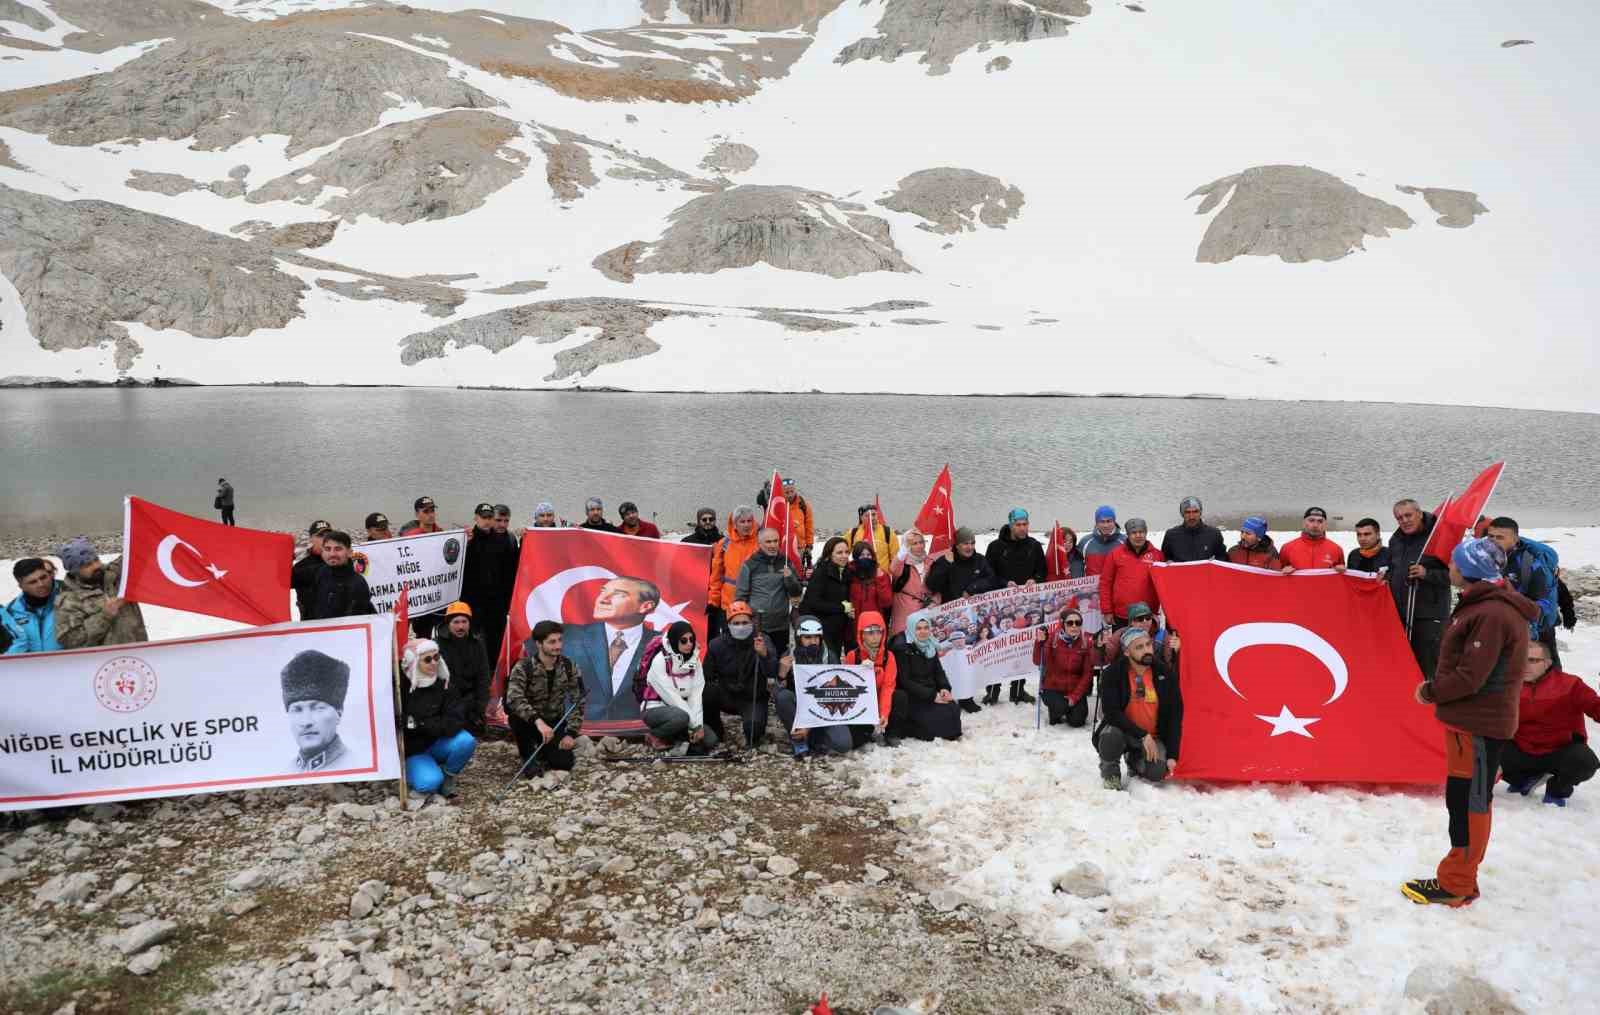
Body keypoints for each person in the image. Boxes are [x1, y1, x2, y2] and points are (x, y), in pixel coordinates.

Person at [1402, 538, 1538, 906]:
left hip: (1478, 725)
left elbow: (1470, 677)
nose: (1449, 568)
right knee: (1460, 799)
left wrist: (1429, 691)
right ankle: (1461, 875)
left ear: (1468, 570)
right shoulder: (1484, 604)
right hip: (1469, 723)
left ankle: (1457, 883)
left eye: (1454, 563)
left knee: (1470, 803)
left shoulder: (1491, 614)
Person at [1500, 639, 1600, 807]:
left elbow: (1595, 706)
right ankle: (1523, 779)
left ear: (1547, 663)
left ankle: (1557, 789)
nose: (1525, 665)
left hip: (1559, 751)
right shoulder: (1507, 685)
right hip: (1521, 748)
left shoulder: (1570, 685)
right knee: (1483, 749)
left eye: (1532, 660)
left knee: (1585, 761)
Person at [1094, 627, 1182, 789]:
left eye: (1148, 645)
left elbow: (1175, 715)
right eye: (1139, 647)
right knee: (1110, 736)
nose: (1147, 650)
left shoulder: (1164, 673)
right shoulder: (1112, 674)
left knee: (1157, 772)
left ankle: (1134, 761)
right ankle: (1110, 772)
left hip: (1153, 736)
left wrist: (1172, 754)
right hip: (1123, 731)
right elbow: (1111, 713)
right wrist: (1142, 735)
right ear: (1127, 652)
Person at [562, 576, 659, 721]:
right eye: (603, 591)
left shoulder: (664, 644)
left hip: (636, 735)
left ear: (645, 606)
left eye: (619, 594)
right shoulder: (566, 636)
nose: (603, 599)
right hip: (574, 735)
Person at [924, 527, 997, 713]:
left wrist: (973, 588)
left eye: (972, 543)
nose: (969, 547)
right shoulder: (945, 560)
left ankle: (967, 697)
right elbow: (931, 584)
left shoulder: (980, 560)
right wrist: (946, 565)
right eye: (965, 543)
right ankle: (947, 693)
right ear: (956, 545)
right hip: (950, 617)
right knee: (949, 658)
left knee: (967, 657)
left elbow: (991, 580)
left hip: (971, 616)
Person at [505, 620, 587, 774]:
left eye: (560, 640)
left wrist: (571, 734)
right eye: (552, 642)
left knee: (563, 763)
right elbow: (514, 698)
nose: (558, 646)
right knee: (516, 717)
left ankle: (543, 751)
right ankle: (527, 753)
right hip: (528, 722)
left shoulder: (570, 666)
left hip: (554, 723)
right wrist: (538, 721)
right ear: (539, 644)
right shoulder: (524, 666)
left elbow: (579, 701)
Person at [399, 639, 477, 798]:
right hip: (414, 751)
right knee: (429, 784)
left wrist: (419, 723)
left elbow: (454, 722)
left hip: (438, 742)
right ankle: (421, 771)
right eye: (427, 659)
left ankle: (448, 774)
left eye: (436, 657)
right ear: (414, 662)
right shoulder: (399, 689)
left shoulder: (445, 685)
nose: (434, 662)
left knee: (466, 741)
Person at [1485, 516, 1561, 668]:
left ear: (1515, 540)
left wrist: (1529, 629)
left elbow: (1543, 602)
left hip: (1537, 627)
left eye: (1500, 537)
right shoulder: (1485, 558)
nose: (1493, 541)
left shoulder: (1530, 563)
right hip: (1501, 625)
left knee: (1547, 673)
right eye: (1490, 536)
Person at [702, 601, 778, 748]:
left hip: (753, 697)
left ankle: (754, 726)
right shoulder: (716, 645)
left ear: (752, 622)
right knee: (707, 692)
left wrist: (764, 655)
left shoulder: (762, 640)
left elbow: (772, 672)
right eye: (736, 623)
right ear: (728, 624)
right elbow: (707, 675)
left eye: (745, 622)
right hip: (727, 694)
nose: (741, 626)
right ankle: (716, 729)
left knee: (753, 732)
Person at [1388, 499, 1450, 680]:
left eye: (1408, 515)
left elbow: (1456, 576)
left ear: (1419, 513)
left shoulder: (1439, 536)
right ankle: (1407, 705)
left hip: (1430, 617)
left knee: (1429, 668)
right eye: (1399, 518)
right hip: (1402, 614)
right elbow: (1393, 569)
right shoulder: (1396, 540)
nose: (1404, 521)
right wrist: (1386, 576)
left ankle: (1432, 705)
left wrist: (1427, 573)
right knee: (1404, 666)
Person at [776, 616, 852, 758]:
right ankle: (798, 739)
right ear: (799, 639)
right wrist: (781, 675)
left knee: (843, 744)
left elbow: (835, 696)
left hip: (824, 708)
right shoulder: (788, 657)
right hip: (799, 709)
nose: (813, 642)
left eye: (816, 637)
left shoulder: (830, 657)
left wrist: (810, 726)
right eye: (808, 638)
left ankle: (814, 737)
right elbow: (777, 694)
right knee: (783, 697)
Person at [637, 620, 719, 754]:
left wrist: (697, 726)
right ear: (674, 640)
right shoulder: (660, 661)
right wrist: (694, 726)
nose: (689, 644)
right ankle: (655, 735)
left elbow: (696, 696)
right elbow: (672, 697)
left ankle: (676, 737)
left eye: (691, 639)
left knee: (711, 740)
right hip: (655, 709)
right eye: (684, 640)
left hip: (683, 711)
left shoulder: (695, 660)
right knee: (681, 718)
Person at [54, 537, 147, 649]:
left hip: (141, 654)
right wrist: (105, 616)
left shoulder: (115, 575)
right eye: (87, 565)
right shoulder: (69, 600)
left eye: (96, 560)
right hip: (106, 663)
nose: (96, 566)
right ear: (75, 571)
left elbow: (137, 553)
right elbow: (71, 641)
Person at [889, 610, 962, 741]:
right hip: (912, 696)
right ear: (911, 628)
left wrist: (944, 688)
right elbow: (904, 681)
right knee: (933, 729)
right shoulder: (901, 647)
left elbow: (938, 671)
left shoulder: (930, 644)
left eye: (926, 628)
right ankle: (908, 726)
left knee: (953, 711)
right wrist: (932, 695)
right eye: (918, 628)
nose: (923, 632)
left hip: (929, 692)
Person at [462, 502, 518, 666]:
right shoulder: (468, 538)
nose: (487, 521)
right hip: (474, 600)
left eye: (490, 518)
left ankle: (494, 671)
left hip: (498, 601)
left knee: (496, 638)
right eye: (484, 517)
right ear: (476, 518)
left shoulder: (503, 539)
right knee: (475, 639)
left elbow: (511, 568)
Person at [281, 649, 352, 772]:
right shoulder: (286, 772)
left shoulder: (353, 763)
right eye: (297, 710)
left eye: (318, 708)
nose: (306, 721)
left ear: (339, 713)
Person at [735, 527, 802, 656]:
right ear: (760, 544)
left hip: (781, 625)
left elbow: (796, 592)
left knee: (780, 660)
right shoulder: (750, 565)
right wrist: (742, 623)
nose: (773, 545)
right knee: (759, 662)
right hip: (758, 626)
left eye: (775, 541)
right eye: (768, 542)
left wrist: (790, 578)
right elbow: (740, 597)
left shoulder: (786, 562)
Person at [433, 601, 491, 738]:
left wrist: (482, 706)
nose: (460, 626)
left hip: (471, 701)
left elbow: (483, 676)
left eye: (464, 622)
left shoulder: (478, 644)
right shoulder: (436, 645)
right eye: (456, 622)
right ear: (448, 624)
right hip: (447, 701)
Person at [843, 610, 900, 748]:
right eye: (870, 632)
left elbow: (888, 687)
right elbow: (847, 689)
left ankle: (891, 732)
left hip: (881, 700)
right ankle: (867, 731)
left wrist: (884, 714)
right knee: (856, 742)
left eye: (878, 632)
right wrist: (861, 674)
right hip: (861, 703)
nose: (875, 637)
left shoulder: (889, 656)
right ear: (861, 634)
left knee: (900, 697)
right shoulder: (852, 656)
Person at [1033, 607, 1097, 727]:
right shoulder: (1052, 638)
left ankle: (1068, 708)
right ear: (1063, 624)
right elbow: (1038, 661)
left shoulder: (1085, 643)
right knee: (1060, 708)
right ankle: (1058, 708)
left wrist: (1075, 696)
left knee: (1077, 721)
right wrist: (1039, 643)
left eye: (1078, 623)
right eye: (1070, 623)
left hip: (1074, 687)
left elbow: (1087, 673)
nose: (1074, 626)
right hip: (1053, 686)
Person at [1098, 519, 1164, 628]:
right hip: (1122, 615)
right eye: (1134, 533)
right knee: (1120, 644)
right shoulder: (1115, 554)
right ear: (1128, 535)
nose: (1138, 536)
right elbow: (1105, 583)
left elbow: (1164, 584)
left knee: (1147, 644)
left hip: (1147, 616)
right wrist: (1107, 610)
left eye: (1141, 532)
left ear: (1146, 533)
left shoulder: (1158, 555)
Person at [707, 506, 760, 642]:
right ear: (735, 524)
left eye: (749, 521)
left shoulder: (760, 542)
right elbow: (716, 576)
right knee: (729, 640)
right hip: (729, 602)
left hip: (754, 600)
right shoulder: (724, 544)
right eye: (742, 521)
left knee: (753, 639)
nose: (747, 525)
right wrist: (713, 600)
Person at [800, 536, 854, 658]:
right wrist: (842, 608)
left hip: (838, 628)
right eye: (839, 553)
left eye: (846, 552)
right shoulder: (821, 573)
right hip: (821, 629)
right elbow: (814, 602)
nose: (844, 556)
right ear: (830, 555)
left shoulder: (846, 572)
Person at [305, 531, 376, 620]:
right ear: (322, 552)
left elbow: (357, 623)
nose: (332, 554)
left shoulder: (357, 583)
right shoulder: (319, 573)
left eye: (338, 549)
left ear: (349, 552)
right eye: (327, 549)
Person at [3, 558, 61, 654]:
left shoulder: (71, 597)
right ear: (21, 586)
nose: (41, 584)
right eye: (32, 582)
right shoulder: (12, 611)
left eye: (43, 577)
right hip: (31, 667)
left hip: (73, 664)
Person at [846, 541, 893, 653]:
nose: (865, 558)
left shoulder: (880, 574)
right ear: (856, 557)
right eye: (862, 555)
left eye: (868, 555)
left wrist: (880, 578)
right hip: (854, 624)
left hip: (874, 624)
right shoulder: (849, 574)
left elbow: (887, 601)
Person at [890, 529, 935, 640]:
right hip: (905, 610)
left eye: (921, 542)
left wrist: (934, 602)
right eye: (914, 543)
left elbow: (937, 586)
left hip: (925, 610)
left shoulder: (930, 562)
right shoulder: (902, 562)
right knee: (904, 643)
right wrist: (904, 548)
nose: (919, 546)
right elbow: (893, 569)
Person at [986, 508, 1046, 587]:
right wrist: (1004, 583)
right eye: (1018, 525)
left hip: (1029, 595)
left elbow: (1042, 571)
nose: (1022, 528)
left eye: (1025, 524)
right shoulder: (995, 547)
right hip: (1004, 594)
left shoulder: (1035, 545)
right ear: (1010, 526)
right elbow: (988, 575)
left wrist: (1035, 579)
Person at [1279, 507, 1347, 572]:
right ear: (1304, 523)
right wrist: (1282, 571)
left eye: (1320, 521)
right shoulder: (1287, 548)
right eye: (1311, 520)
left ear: (1325, 524)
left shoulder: (1336, 549)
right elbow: (1276, 576)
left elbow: (1343, 579)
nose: (1315, 525)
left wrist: (1342, 570)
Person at [1160, 496, 1226, 563]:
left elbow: (1223, 558)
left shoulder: (1214, 534)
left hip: (1205, 572)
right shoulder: (1171, 535)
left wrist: (1216, 562)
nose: (1191, 516)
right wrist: (1168, 561)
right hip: (1180, 573)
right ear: (1182, 514)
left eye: (1195, 511)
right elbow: (1163, 558)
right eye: (1187, 512)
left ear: (1200, 512)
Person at [292, 520, 332, 620]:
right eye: (320, 535)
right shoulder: (301, 566)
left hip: (341, 624)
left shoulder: (342, 562)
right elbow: (279, 581)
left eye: (329, 535)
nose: (325, 538)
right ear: (311, 539)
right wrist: (284, 558)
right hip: (312, 627)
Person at [846, 505, 899, 571]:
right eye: (867, 516)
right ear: (861, 518)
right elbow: (844, 554)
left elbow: (895, 557)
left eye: (873, 515)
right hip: (860, 575)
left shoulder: (888, 532)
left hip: (882, 576)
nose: (872, 518)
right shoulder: (853, 533)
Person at [1079, 507, 1125, 577]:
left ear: (1114, 522)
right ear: (1097, 523)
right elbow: (1077, 566)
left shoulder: (1125, 542)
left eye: (1109, 521)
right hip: (1092, 587)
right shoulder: (1085, 542)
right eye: (1102, 522)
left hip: (1117, 586)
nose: (1105, 525)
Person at [782, 479, 816, 569]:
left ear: (795, 490)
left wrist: (809, 545)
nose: (790, 495)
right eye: (786, 492)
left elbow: (809, 527)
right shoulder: (779, 505)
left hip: (799, 547)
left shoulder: (804, 506)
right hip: (783, 547)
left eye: (792, 491)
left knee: (797, 570)